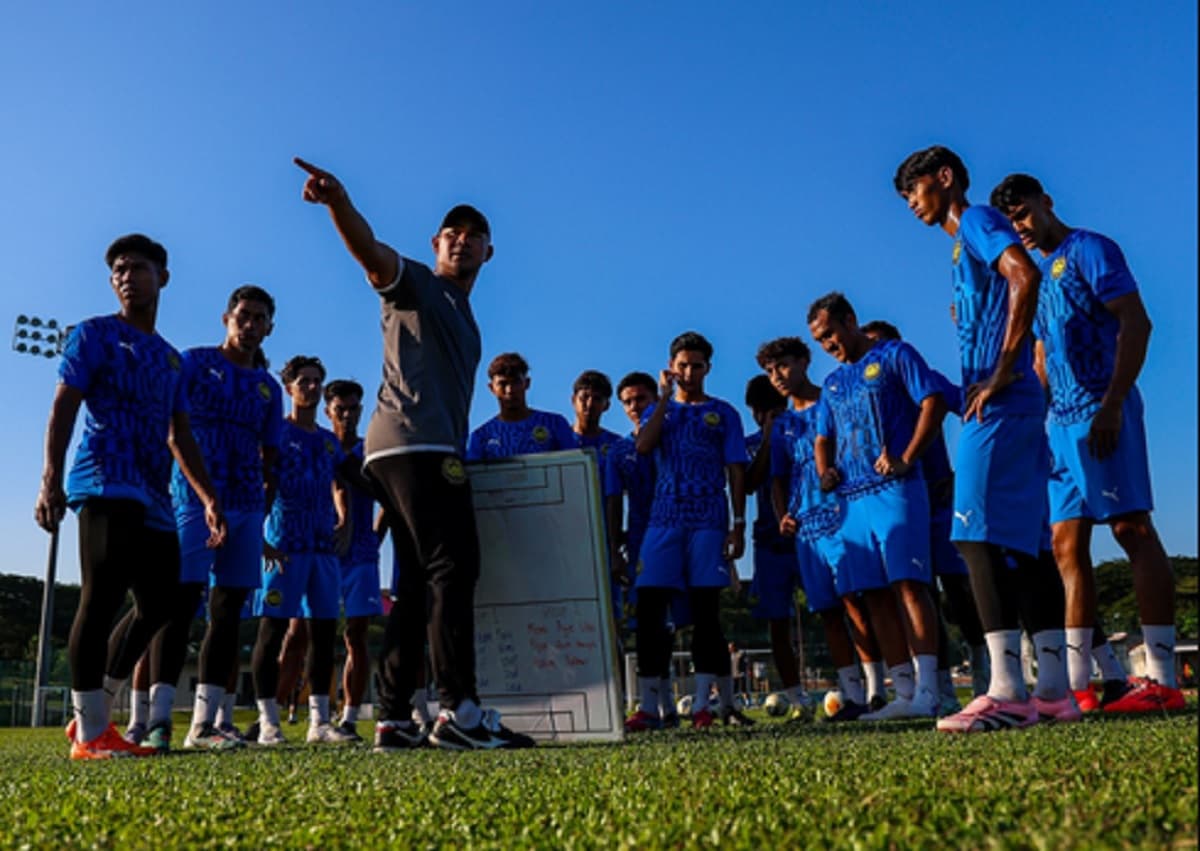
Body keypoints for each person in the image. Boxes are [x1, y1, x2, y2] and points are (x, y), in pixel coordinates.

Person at [295, 157, 533, 750]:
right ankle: (460, 712)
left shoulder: (465, 316)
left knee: (420, 581)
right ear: (435, 244)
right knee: (455, 568)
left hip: (402, 451)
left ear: (489, 252)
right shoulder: (419, 285)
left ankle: (395, 717)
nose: (461, 241)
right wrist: (338, 203)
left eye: (473, 236)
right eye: (452, 234)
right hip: (415, 445)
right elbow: (371, 255)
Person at [894, 146, 1075, 732]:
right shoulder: (962, 246)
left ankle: (1006, 691)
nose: (911, 203)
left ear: (944, 178)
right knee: (1025, 546)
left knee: (973, 539)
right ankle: (1055, 693)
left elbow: (1026, 274)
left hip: (999, 406)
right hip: (1013, 405)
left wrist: (1000, 369)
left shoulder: (975, 220)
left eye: (914, 189)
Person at [990, 173, 1184, 712]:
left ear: (1046, 202)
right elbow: (1041, 356)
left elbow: (1137, 322)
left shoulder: (1090, 249)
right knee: (1064, 545)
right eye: (1010, 222)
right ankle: (1080, 684)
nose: (1020, 227)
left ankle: (1162, 679)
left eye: (1023, 213)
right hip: (1060, 424)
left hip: (1103, 410)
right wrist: (1035, 423)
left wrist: (1113, 403)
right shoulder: (1033, 277)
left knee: (1131, 528)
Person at [35, 233, 227, 759]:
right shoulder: (94, 334)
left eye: (137, 267)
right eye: (118, 269)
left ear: (162, 277)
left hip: (154, 493)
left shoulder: (171, 360)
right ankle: (92, 734)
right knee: (101, 596)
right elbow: (64, 405)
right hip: (104, 478)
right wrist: (50, 477)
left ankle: (95, 710)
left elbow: (180, 435)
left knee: (164, 601)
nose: (126, 277)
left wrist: (208, 497)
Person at [149, 285, 282, 752]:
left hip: (245, 507)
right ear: (226, 318)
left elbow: (271, 456)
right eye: (243, 315)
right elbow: (174, 433)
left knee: (227, 614)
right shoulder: (193, 362)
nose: (250, 325)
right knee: (180, 605)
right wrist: (207, 497)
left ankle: (203, 725)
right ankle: (157, 720)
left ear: (269, 328)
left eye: (260, 318)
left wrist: (261, 509)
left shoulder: (269, 389)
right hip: (192, 500)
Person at [807, 292, 948, 721]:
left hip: (896, 488)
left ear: (850, 319)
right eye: (819, 340)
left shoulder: (895, 354)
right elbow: (822, 437)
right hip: (852, 499)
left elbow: (933, 401)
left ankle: (930, 689)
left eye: (830, 333)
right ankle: (903, 692)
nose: (827, 344)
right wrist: (825, 472)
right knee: (874, 594)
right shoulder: (833, 382)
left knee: (909, 584)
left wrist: (908, 455)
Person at [861, 319, 988, 705]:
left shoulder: (924, 378)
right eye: (869, 346)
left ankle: (983, 667)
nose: (876, 355)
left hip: (938, 494)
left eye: (880, 345)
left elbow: (969, 406)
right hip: (896, 496)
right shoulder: (861, 388)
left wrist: (966, 468)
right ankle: (940, 686)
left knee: (959, 587)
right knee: (919, 589)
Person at [758, 336, 880, 720]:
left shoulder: (832, 399)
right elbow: (778, 478)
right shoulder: (783, 424)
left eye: (783, 365)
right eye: (770, 371)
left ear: (804, 361)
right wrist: (783, 514)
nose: (778, 376)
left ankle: (877, 690)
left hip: (842, 515)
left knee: (856, 603)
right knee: (827, 611)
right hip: (807, 526)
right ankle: (851, 694)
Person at [632, 331, 749, 730]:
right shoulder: (659, 410)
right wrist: (664, 398)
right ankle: (648, 706)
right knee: (650, 606)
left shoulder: (724, 413)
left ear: (708, 368)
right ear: (671, 367)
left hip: (708, 517)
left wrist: (738, 524)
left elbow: (736, 469)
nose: (689, 372)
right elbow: (643, 446)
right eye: (682, 365)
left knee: (706, 610)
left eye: (696, 366)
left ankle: (703, 704)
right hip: (664, 516)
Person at [250, 355, 354, 745]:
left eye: (316, 381)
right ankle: (268, 721)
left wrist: (345, 520)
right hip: (284, 547)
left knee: (324, 634)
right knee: (273, 630)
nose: (311, 388)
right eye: (304, 381)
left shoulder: (328, 441)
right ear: (289, 387)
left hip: (322, 549)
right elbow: (262, 482)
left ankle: (319, 722)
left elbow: (341, 481)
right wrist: (259, 537)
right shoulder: (276, 432)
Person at [742, 374, 814, 719]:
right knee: (777, 621)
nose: (768, 415)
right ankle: (797, 697)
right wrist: (769, 439)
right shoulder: (750, 444)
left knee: (837, 609)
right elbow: (748, 482)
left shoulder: (803, 430)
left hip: (810, 532)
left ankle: (856, 687)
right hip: (770, 541)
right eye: (762, 411)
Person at [325, 379, 386, 740]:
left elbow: (388, 497)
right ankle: (279, 714)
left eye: (353, 409)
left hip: (361, 552)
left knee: (356, 635)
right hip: (322, 549)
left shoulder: (371, 449)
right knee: (303, 632)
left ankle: (349, 716)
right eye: (340, 409)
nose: (347, 415)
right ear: (328, 411)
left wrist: (376, 537)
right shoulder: (319, 444)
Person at [466, 353, 578, 460]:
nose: (510, 390)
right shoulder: (481, 437)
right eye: (502, 384)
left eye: (516, 382)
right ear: (491, 388)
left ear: (527, 383)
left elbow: (574, 465)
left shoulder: (554, 424)